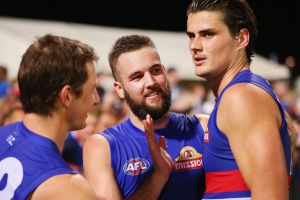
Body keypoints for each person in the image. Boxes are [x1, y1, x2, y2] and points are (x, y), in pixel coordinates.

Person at [186, 0, 292, 199]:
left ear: (241, 38)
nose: (194, 46)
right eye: (191, 36)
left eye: (208, 34)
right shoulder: (250, 91)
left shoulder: (242, 96)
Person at [83, 35, 207, 200]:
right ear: (120, 89)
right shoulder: (102, 147)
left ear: (164, 71)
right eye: (137, 77)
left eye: (155, 70)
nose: (150, 82)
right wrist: (158, 177)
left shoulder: (202, 127)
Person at [0, 34, 99, 200]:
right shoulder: (70, 189)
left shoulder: (3, 134)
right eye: (92, 89)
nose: (96, 100)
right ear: (67, 96)